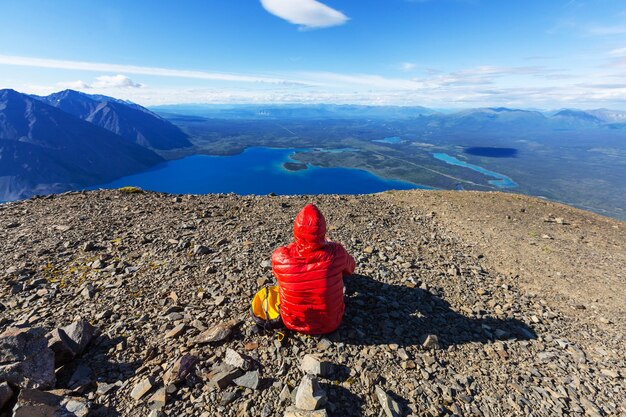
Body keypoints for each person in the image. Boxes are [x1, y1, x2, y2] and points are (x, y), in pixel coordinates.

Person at [272, 204, 355, 334]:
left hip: (292, 322)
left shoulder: (280, 257)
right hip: (331, 323)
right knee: (337, 273)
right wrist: (330, 245)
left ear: (296, 230)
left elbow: (278, 275)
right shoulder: (337, 252)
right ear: (323, 231)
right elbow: (351, 268)